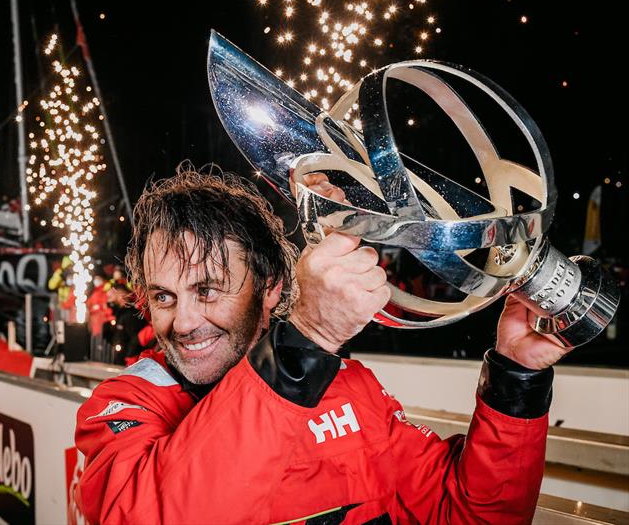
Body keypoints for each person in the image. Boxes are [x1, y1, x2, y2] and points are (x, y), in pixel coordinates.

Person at [74, 168, 565, 524]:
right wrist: (306, 339)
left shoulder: (350, 391)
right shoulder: (127, 402)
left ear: (269, 288)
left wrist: (515, 375)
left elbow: (470, 514)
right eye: (164, 296)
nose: (183, 322)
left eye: (208, 290)